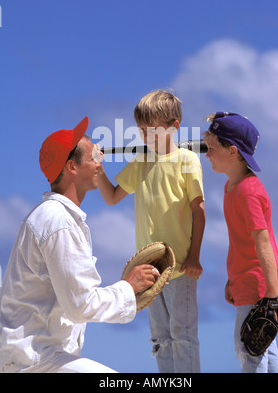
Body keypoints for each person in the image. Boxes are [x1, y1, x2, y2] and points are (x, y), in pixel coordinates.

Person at [0, 117, 158, 373]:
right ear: (72, 167)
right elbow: (81, 304)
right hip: (36, 363)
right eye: (93, 156)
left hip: (31, 360)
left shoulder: (53, 217)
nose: (100, 160)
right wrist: (128, 287)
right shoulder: (58, 221)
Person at [98, 90, 206, 373]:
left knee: (182, 335)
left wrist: (194, 257)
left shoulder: (188, 160)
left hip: (180, 266)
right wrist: (97, 170)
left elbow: (199, 210)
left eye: (152, 129)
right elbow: (111, 198)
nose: (145, 136)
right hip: (149, 269)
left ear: (174, 126)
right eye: (141, 130)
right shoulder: (141, 162)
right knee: (161, 338)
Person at [204, 112, 278, 373]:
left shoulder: (248, 191)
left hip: (259, 284)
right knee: (266, 351)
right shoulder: (232, 186)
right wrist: (232, 279)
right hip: (247, 280)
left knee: (249, 350)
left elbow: (262, 243)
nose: (206, 154)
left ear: (233, 151)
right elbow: (241, 243)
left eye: (211, 147)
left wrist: (272, 294)